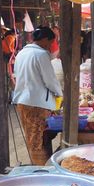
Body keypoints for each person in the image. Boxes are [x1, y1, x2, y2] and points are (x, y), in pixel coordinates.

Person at [13, 26, 63, 165]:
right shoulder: (41, 54)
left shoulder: (22, 53)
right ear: (45, 40)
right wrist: (59, 94)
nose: (50, 46)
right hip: (37, 104)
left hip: (22, 102)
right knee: (40, 140)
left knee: (33, 139)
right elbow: (50, 80)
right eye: (51, 42)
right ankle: (43, 170)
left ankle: (39, 166)